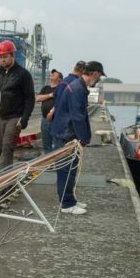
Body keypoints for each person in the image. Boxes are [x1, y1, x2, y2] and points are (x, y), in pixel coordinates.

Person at [51, 60, 106, 215]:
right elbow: (78, 117)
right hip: (65, 135)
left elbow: (81, 116)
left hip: (66, 133)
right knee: (66, 170)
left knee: (71, 169)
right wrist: (84, 138)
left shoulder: (78, 86)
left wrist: (84, 137)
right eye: (99, 76)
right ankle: (66, 204)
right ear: (94, 73)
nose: (99, 80)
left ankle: (70, 199)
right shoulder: (77, 89)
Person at [0, 40, 35, 168]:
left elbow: (30, 98)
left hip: (15, 117)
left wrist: (25, 118)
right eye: (0, 57)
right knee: (0, 149)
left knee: (7, 147)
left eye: (5, 56)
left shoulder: (23, 75)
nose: (2, 60)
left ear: (13, 56)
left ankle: (3, 182)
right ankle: (6, 175)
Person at [36, 69, 63, 154]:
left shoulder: (61, 88)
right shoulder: (46, 88)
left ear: (59, 79)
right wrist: (51, 95)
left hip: (57, 120)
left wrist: (51, 112)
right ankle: (50, 165)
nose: (52, 74)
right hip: (45, 119)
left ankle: (57, 163)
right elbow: (38, 98)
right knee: (46, 144)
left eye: (55, 74)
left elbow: (61, 102)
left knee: (57, 144)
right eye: (52, 73)